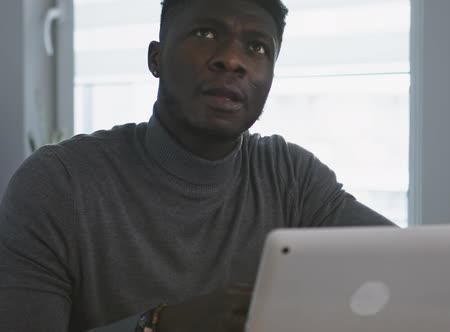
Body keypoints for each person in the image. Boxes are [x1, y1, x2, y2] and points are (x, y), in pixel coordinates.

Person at [0, 0, 396, 331]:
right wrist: (161, 324)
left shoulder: (290, 176)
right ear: (156, 58)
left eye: (257, 47)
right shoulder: (57, 182)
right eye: (205, 33)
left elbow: (415, 267)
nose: (231, 60)